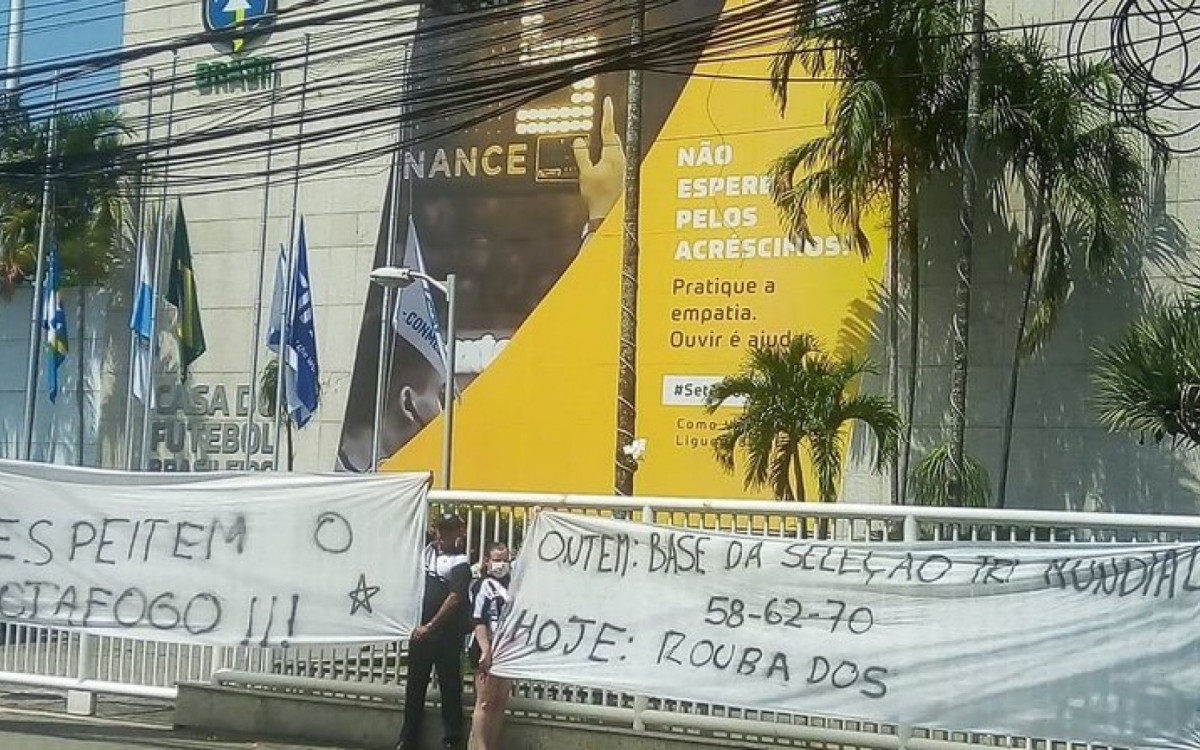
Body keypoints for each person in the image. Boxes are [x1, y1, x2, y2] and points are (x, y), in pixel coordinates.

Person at [397, 513, 472, 750]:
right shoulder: (425, 551)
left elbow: (455, 598)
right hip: (420, 635)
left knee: (450, 688)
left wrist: (430, 627)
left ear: (459, 532)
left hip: (445, 636)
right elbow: (408, 521)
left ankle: (452, 739)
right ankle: (408, 738)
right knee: (414, 687)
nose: (444, 535)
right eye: (441, 529)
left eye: (450, 529)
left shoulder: (460, 562)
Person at [467, 543, 513, 750]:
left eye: (504, 560)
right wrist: (485, 649)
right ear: (487, 561)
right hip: (486, 646)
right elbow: (478, 619)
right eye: (496, 560)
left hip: (506, 649)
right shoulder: (483, 585)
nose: (501, 564)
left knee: (499, 703)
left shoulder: (512, 585)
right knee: (485, 702)